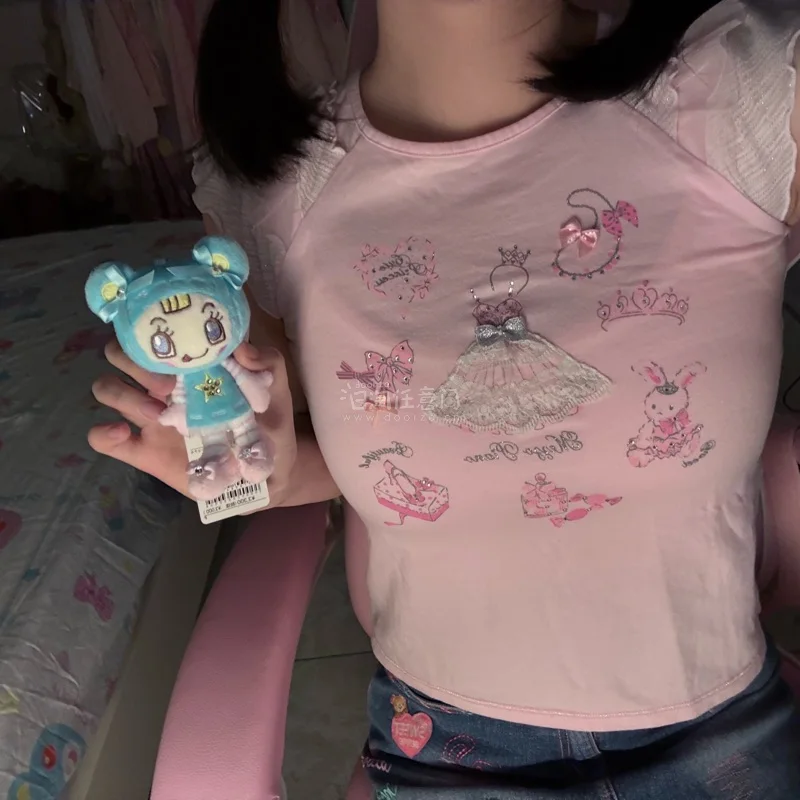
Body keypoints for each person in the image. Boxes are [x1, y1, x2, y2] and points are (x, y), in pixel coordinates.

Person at [90, 0, 800, 796]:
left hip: (719, 736)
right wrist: (270, 475)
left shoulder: (747, 95)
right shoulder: (275, 191)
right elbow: (372, 456)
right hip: (448, 749)